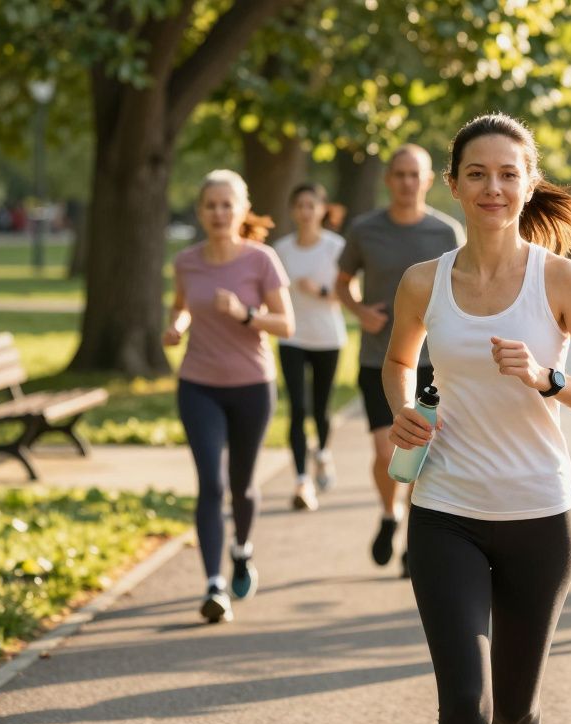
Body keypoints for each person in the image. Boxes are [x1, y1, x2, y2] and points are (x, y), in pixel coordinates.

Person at [386, 113, 571, 724]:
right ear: (455, 185)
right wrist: (403, 410)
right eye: (477, 174)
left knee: (516, 714)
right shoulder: (422, 282)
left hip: (538, 514)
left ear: (528, 183)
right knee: (466, 708)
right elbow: (398, 359)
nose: (493, 187)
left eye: (507, 175)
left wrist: (549, 378)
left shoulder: (562, 279)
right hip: (445, 510)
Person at [164, 169, 294, 623]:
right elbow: (182, 305)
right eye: (211, 205)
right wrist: (176, 327)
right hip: (198, 384)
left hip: (252, 386)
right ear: (200, 212)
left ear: (241, 212)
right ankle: (213, 585)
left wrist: (244, 313)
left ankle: (242, 549)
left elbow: (286, 324)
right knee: (211, 483)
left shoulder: (261, 260)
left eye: (227, 205)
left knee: (241, 482)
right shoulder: (187, 261)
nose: (219, 213)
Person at [336, 144, 465, 577]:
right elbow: (342, 283)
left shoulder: (446, 233)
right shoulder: (364, 229)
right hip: (379, 359)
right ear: (388, 180)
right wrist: (359, 313)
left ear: (428, 181)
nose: (408, 182)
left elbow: (464, 291)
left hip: (433, 362)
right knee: (383, 448)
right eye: (400, 174)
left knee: (420, 454)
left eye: (416, 175)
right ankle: (389, 513)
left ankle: (412, 535)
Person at [273, 183, 347, 511]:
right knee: (298, 409)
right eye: (299, 205)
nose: (305, 211)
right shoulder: (281, 249)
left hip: (327, 337)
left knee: (321, 408)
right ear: (292, 210)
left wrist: (318, 290)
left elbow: (347, 293)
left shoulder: (336, 247)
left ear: (321, 209)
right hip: (291, 336)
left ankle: (324, 454)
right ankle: (302, 481)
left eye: (311, 205)